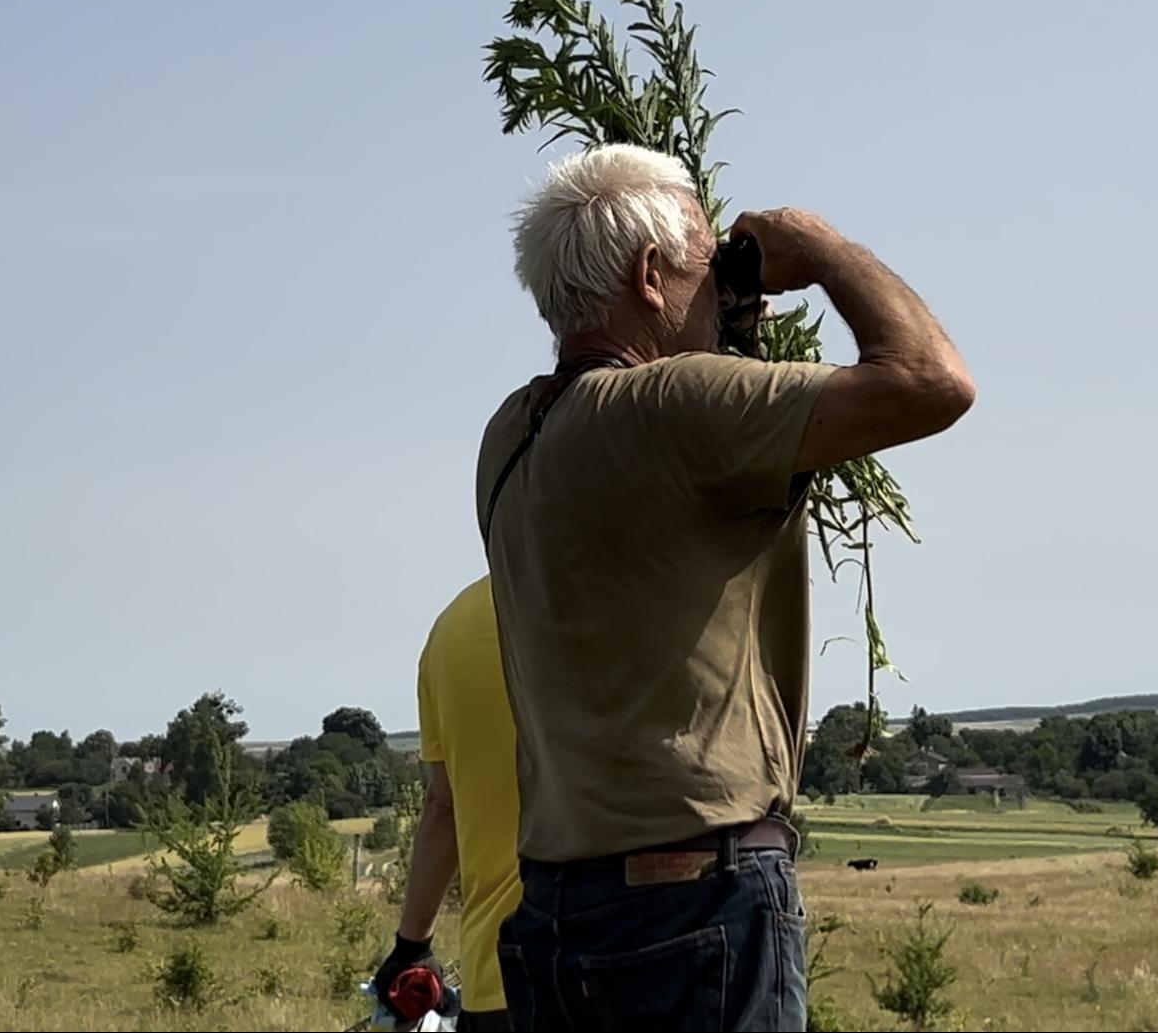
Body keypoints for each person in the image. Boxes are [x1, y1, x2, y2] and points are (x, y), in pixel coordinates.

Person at [476, 144, 974, 1031]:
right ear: (649, 274)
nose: (721, 282)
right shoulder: (673, 408)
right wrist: (821, 249)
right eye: (709, 263)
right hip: (694, 901)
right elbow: (932, 381)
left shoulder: (512, 433)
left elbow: (682, 508)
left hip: (561, 904)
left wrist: (727, 321)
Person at [371, 576, 522, 1033]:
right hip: (637, 953)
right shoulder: (636, 582)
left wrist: (412, 946)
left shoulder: (451, 629)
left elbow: (442, 804)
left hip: (498, 975)